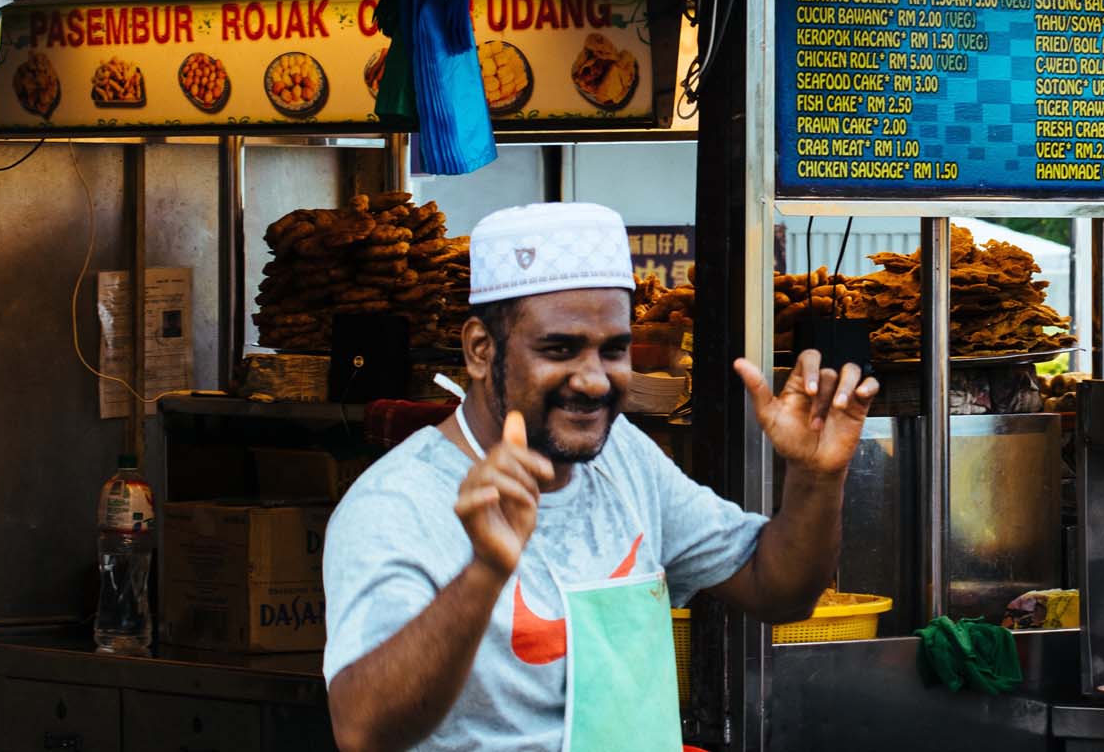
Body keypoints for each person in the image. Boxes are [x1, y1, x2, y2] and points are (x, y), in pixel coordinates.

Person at [323, 202, 876, 752]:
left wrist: (814, 478)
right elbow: (361, 730)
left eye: (613, 350)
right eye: (559, 349)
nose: (592, 381)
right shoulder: (396, 503)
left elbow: (776, 590)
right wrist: (484, 575)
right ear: (479, 349)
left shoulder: (624, 459)